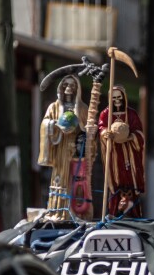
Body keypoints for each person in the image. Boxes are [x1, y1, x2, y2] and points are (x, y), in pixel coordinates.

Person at [38, 75, 90, 216]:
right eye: (66, 85)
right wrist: (54, 125)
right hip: (60, 148)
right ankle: (58, 210)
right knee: (59, 179)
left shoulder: (83, 108)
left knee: (77, 180)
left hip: (75, 150)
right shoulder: (54, 107)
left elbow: (88, 129)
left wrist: (82, 127)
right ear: (61, 88)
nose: (69, 88)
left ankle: (76, 211)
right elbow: (45, 123)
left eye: (72, 86)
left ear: (77, 89)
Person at [98, 85, 146, 217]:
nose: (117, 100)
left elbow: (139, 133)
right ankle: (114, 213)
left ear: (124, 98)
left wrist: (131, 136)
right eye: (113, 98)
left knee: (130, 182)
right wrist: (105, 134)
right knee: (116, 182)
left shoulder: (131, 114)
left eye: (119, 97)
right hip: (114, 154)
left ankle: (134, 214)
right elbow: (101, 128)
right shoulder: (105, 114)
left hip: (129, 153)